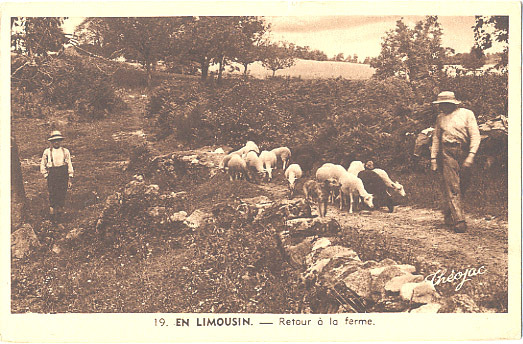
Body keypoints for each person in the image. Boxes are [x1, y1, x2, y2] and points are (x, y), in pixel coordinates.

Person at [430, 91, 481, 233]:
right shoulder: (440, 118)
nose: (442, 107)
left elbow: (475, 136)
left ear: (452, 103)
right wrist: (433, 158)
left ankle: (448, 212)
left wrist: (471, 155)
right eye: (440, 104)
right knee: (452, 186)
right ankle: (459, 220)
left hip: (463, 151)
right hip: (447, 153)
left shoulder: (467, 114)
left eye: (444, 104)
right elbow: (436, 139)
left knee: (463, 184)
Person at [40, 131, 74, 222]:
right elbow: (42, 164)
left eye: (58, 140)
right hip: (52, 175)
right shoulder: (47, 152)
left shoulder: (65, 151)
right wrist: (46, 175)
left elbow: (69, 164)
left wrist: (70, 178)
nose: (56, 142)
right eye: (54, 141)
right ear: (51, 142)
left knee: (62, 195)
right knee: (53, 195)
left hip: (63, 174)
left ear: (60, 141)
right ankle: (52, 219)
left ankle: (59, 218)